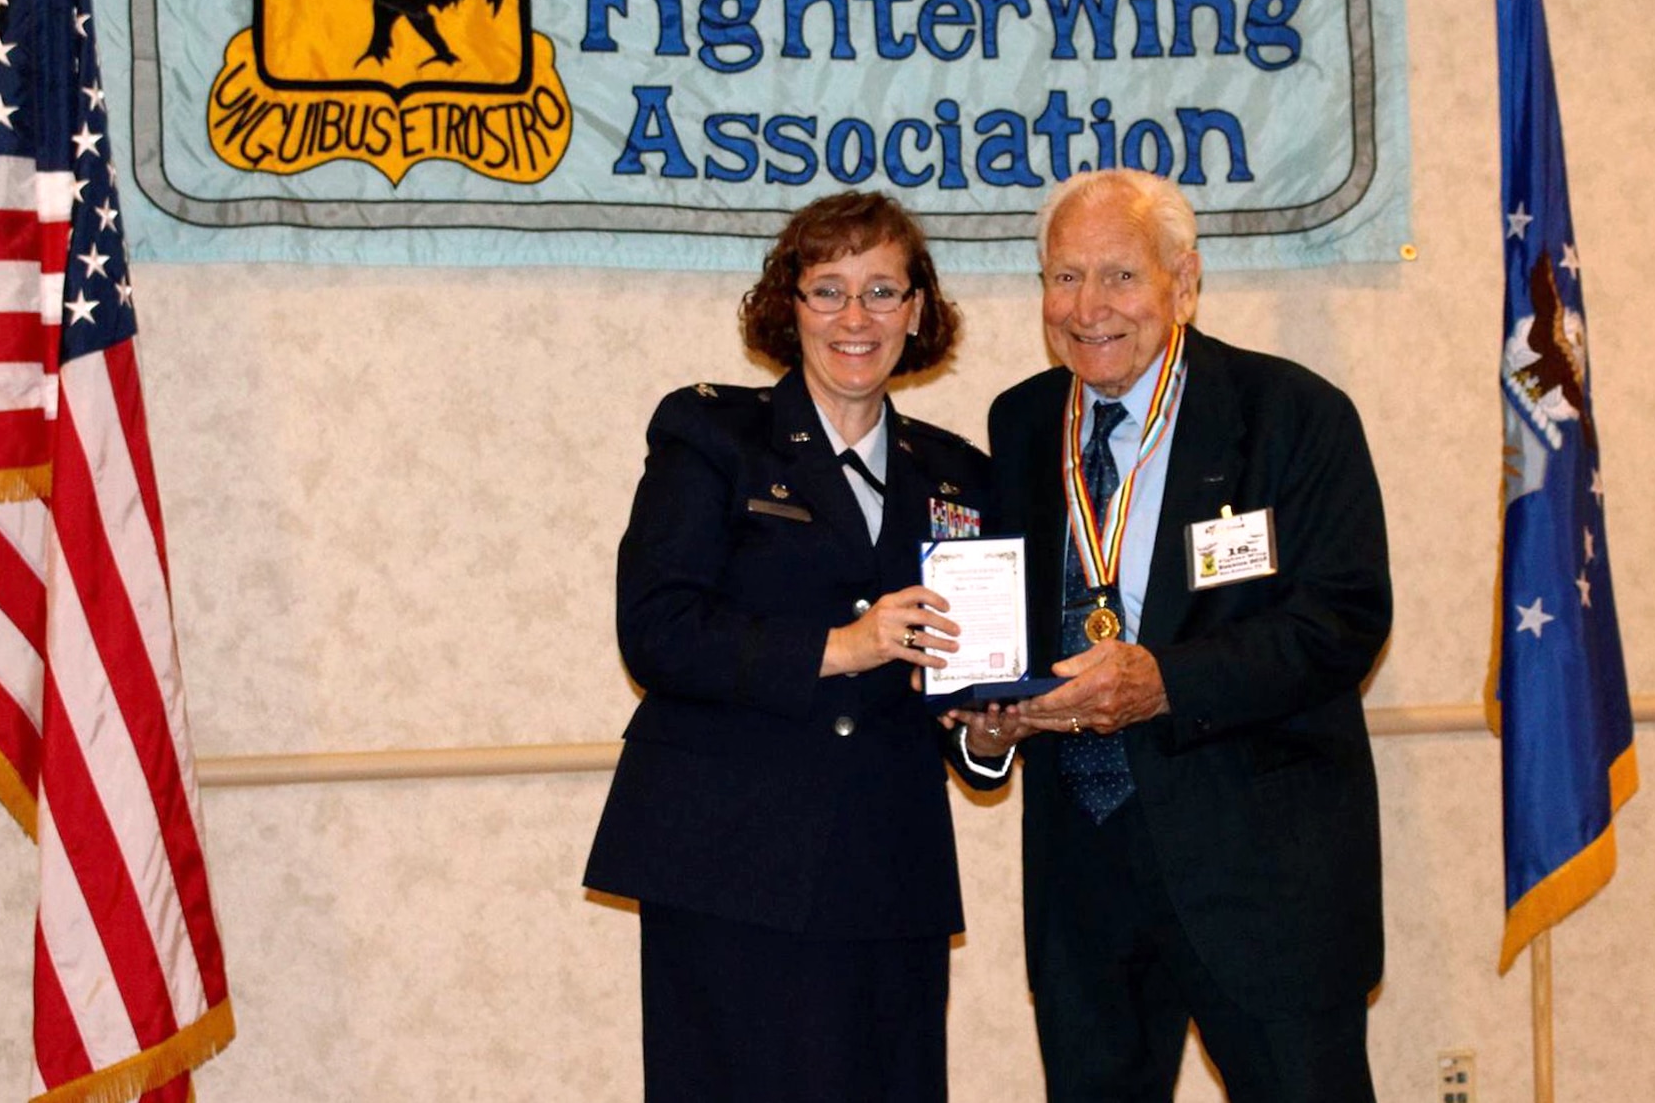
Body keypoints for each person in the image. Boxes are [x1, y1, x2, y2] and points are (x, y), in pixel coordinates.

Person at [949, 170, 1392, 1102]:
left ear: (1182, 284)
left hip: (1262, 872)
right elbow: (1014, 631)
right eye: (1063, 279)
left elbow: (1343, 620)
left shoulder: (1292, 415)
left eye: (1119, 277)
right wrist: (985, 732)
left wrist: (1166, 682)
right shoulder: (1023, 422)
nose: (1087, 308)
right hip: (1084, 875)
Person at [585, 192, 990, 1103]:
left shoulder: (963, 473)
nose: (857, 318)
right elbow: (656, 631)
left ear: (917, 311)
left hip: (891, 866)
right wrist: (840, 647)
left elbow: (964, 681)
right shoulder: (712, 435)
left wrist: (987, 735)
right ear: (789, 305)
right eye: (828, 289)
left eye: (883, 291)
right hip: (730, 856)